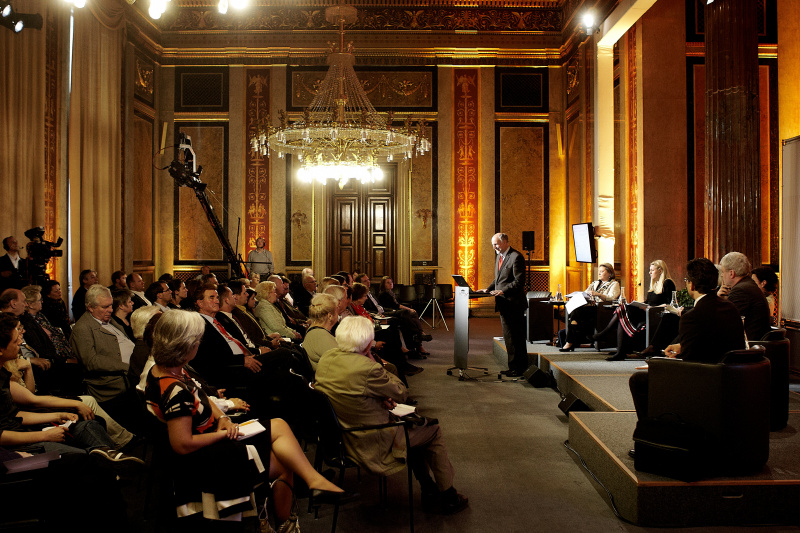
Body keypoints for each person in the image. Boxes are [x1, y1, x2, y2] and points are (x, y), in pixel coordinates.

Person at [144, 309, 348, 528]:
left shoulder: (168, 370)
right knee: (284, 461)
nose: (199, 344)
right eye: (197, 340)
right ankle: (285, 522)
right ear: (186, 345)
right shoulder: (174, 390)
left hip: (212, 438)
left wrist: (222, 417)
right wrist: (221, 434)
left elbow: (202, 396)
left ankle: (306, 489)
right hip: (207, 458)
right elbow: (182, 444)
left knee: (279, 427)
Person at [315, 316, 468, 514]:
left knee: (417, 427)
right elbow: (401, 392)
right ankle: (448, 494)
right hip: (374, 440)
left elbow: (350, 393)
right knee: (432, 430)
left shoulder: (328, 358)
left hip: (340, 437)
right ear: (368, 343)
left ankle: (429, 488)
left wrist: (377, 399)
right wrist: (374, 360)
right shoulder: (368, 368)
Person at [0, 312, 141, 464]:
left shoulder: (3, 374)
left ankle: (109, 460)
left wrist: (59, 415)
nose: (20, 342)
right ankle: (106, 467)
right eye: (15, 341)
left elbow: (16, 415)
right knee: (82, 458)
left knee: (89, 425)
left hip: (24, 430)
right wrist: (44, 435)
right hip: (16, 445)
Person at [629, 258, 746, 419]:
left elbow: (688, 363)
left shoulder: (692, 316)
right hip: (733, 377)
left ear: (691, 284)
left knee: (638, 380)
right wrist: (682, 346)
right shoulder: (730, 308)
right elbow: (717, 340)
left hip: (704, 380)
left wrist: (660, 365)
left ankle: (650, 432)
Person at [70, 285, 142, 433]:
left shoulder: (110, 321)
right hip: (111, 387)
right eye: (105, 306)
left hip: (131, 377)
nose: (110, 309)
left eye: (111, 305)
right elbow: (91, 361)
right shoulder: (83, 328)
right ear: (90, 307)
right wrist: (125, 366)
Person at [595, 259, 676, 361]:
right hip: (646, 312)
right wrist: (641, 304)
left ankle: (605, 335)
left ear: (660, 271)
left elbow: (670, 304)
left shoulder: (668, 283)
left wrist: (650, 308)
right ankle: (620, 350)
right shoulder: (655, 285)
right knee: (623, 311)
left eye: (652, 270)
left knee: (623, 309)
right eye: (649, 270)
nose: (649, 272)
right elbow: (648, 301)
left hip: (655, 314)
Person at [477, 233, 528, 377]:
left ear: (505, 242)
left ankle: (520, 368)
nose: (494, 247)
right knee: (508, 337)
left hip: (514, 303)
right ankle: (513, 367)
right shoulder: (499, 256)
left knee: (516, 337)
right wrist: (488, 289)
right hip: (504, 304)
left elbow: (519, 282)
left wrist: (502, 291)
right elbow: (498, 279)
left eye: (496, 244)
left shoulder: (516, 257)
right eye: (493, 244)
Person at [559, 263, 621, 352]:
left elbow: (612, 298)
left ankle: (570, 342)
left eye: (602, 271)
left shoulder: (614, 284)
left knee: (576, 313)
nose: (599, 273)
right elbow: (585, 293)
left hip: (601, 309)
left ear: (610, 273)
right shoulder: (595, 283)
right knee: (575, 311)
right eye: (599, 271)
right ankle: (571, 338)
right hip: (590, 307)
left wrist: (598, 294)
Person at [717, 252, 771, 341]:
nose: (722, 275)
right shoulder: (747, 285)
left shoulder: (741, 290)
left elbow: (725, 323)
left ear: (731, 273)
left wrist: (717, 302)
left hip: (747, 348)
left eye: (723, 272)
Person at [302, 293, 339, 371]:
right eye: (336, 311)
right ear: (330, 316)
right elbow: (344, 363)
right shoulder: (320, 336)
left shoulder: (315, 331)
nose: (338, 315)